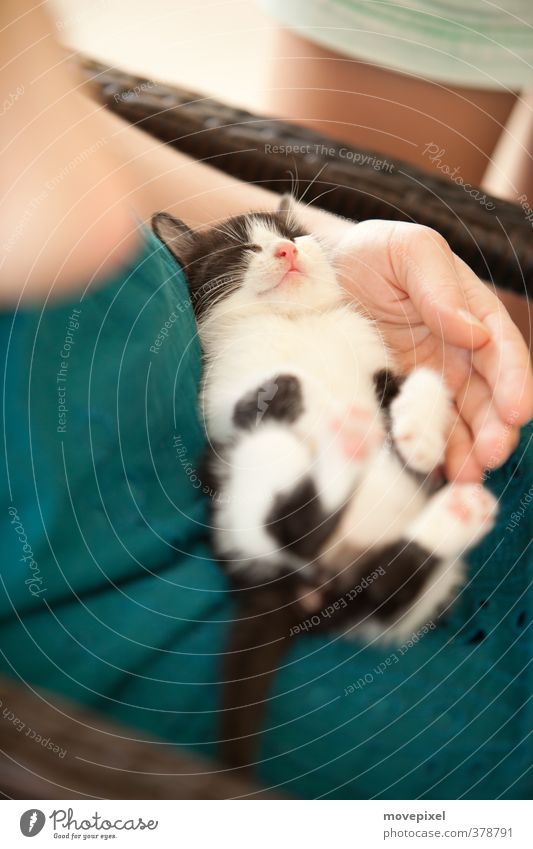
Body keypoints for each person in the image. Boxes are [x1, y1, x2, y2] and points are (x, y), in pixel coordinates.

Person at [1, 0, 532, 799]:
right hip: (205, 654)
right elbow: (69, 219)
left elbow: (91, 172)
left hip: (427, 488)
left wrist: (341, 247)